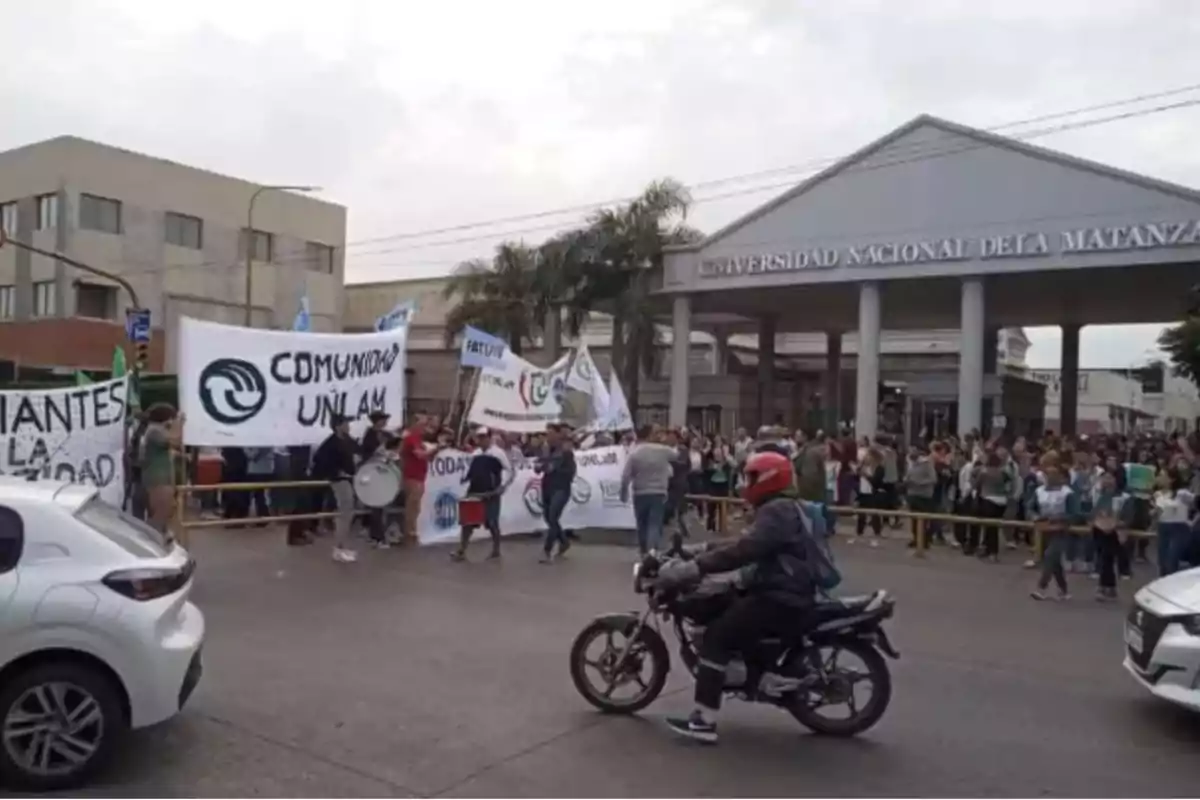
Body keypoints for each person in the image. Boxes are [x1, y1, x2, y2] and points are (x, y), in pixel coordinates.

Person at [652, 450, 820, 744]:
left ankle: (704, 721)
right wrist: (699, 549)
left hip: (780, 596)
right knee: (727, 606)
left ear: (768, 477)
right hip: (780, 590)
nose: (747, 482)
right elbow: (743, 542)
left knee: (718, 637)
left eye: (752, 476)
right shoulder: (780, 507)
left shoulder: (778, 510)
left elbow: (746, 550)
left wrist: (696, 566)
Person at [452, 429, 511, 562]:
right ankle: (462, 550)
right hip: (475, 491)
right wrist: (465, 479)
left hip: (491, 492)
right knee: (468, 522)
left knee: (492, 522)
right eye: (479, 437)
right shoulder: (476, 454)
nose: (481, 440)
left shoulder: (498, 453)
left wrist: (502, 487)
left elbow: (510, 470)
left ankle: (496, 550)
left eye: (484, 437)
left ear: (489, 438)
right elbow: (471, 471)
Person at [311, 414, 360, 563]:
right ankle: (339, 548)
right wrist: (336, 472)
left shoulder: (348, 440)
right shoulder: (331, 443)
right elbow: (319, 459)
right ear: (338, 426)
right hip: (339, 481)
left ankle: (342, 546)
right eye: (346, 423)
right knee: (345, 513)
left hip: (350, 479)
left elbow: (360, 450)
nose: (349, 426)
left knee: (349, 513)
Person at [620, 425, 675, 556]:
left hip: (640, 492)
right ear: (650, 435)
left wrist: (623, 492)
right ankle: (652, 550)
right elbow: (677, 455)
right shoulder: (664, 450)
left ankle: (644, 549)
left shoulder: (635, 452)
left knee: (642, 523)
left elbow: (626, 475)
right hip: (659, 492)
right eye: (656, 433)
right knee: (655, 523)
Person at [140, 404, 184, 535]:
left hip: (162, 477)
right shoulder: (154, 431)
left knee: (169, 509)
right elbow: (175, 441)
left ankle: (156, 536)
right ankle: (149, 538)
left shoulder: (157, 431)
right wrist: (179, 424)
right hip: (158, 478)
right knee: (161, 512)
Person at [536, 424, 576, 563]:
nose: (549, 437)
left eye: (552, 433)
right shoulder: (545, 450)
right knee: (549, 518)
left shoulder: (565, 452)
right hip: (547, 487)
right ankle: (564, 541)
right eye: (547, 434)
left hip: (561, 488)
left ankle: (547, 550)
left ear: (558, 435)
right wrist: (541, 465)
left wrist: (556, 470)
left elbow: (571, 472)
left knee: (553, 516)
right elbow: (538, 467)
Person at [400, 413, 439, 546]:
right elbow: (420, 455)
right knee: (413, 505)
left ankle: (412, 529)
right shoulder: (411, 437)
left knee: (415, 505)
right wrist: (434, 450)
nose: (426, 427)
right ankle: (410, 532)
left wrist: (433, 452)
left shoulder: (418, 438)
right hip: (413, 476)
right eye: (423, 424)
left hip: (419, 475)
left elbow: (426, 457)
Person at [360, 411, 393, 549]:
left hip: (383, 471)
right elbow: (366, 454)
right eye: (383, 419)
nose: (385, 422)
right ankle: (377, 536)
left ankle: (376, 534)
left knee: (379, 506)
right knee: (376, 506)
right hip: (372, 472)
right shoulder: (370, 436)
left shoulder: (386, 435)